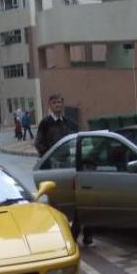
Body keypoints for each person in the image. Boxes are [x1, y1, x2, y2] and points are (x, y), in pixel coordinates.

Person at [36, 94, 93, 245]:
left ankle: (80, 233)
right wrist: (50, 157)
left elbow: (78, 140)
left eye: (60, 102)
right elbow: (39, 144)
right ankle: (60, 235)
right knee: (56, 203)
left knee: (77, 200)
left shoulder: (69, 123)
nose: (58, 105)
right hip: (54, 169)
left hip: (69, 168)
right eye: (54, 103)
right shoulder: (45, 124)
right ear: (50, 105)